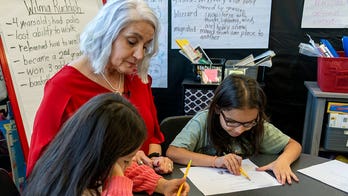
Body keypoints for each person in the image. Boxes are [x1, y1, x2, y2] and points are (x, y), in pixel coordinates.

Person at [27, 0, 173, 179]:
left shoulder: (138, 80)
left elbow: (152, 138)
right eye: (131, 42)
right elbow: (43, 164)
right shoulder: (63, 87)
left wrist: (155, 159)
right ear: (105, 34)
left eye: (145, 46)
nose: (140, 55)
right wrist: (117, 162)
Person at [23, 93, 189, 196]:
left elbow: (132, 170)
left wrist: (163, 185)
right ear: (104, 155)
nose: (127, 166)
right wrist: (118, 180)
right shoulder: (71, 189)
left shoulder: (77, 162)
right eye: (125, 161)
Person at [166, 74, 302, 185]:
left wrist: (283, 161)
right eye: (231, 122)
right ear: (218, 109)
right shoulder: (203, 121)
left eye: (248, 123)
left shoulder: (258, 125)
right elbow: (173, 152)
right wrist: (215, 161)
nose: (239, 130)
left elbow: (293, 145)